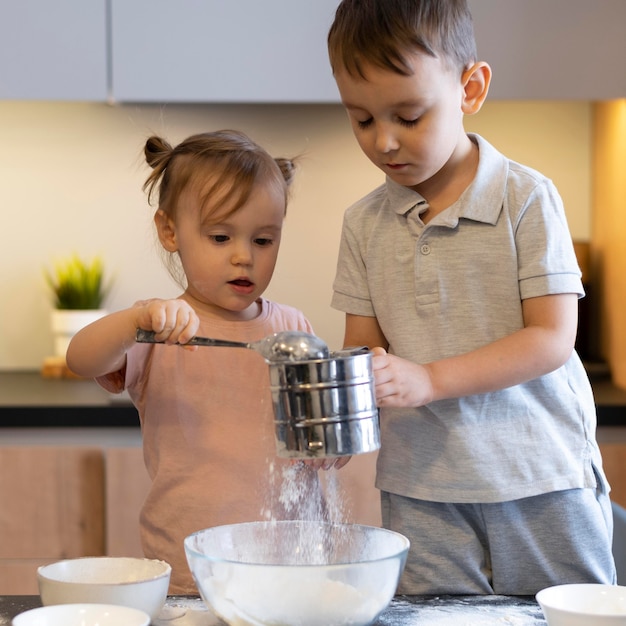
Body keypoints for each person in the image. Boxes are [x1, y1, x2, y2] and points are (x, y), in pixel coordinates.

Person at [327, 0, 616, 595]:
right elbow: (363, 351)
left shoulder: (527, 199)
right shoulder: (363, 224)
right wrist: (332, 412)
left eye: (409, 116)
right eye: (361, 119)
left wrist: (429, 379)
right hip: (421, 486)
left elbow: (552, 339)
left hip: (539, 477)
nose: (384, 142)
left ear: (470, 88)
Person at [66, 130, 329, 593]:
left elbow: (323, 447)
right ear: (170, 231)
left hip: (294, 568)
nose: (244, 256)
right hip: (191, 573)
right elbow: (80, 359)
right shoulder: (159, 329)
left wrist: (339, 441)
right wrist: (134, 319)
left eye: (264, 240)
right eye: (221, 236)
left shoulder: (293, 330)